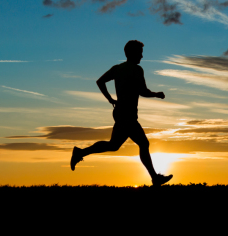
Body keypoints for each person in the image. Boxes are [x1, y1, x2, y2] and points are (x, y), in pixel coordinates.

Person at [70, 40, 173, 186]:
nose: (142, 56)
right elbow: (143, 91)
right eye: (140, 53)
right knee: (143, 143)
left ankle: (80, 153)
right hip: (127, 114)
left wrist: (110, 99)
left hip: (120, 112)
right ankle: (155, 178)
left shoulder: (117, 68)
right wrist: (157, 94)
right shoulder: (137, 70)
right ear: (132, 53)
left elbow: (100, 81)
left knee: (114, 145)